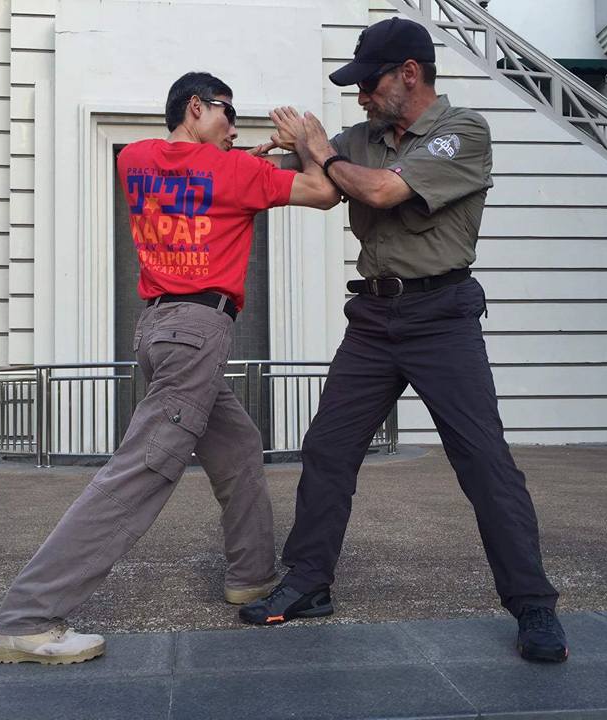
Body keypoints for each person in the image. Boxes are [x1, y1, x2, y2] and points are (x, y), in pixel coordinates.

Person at [240, 17, 569, 663]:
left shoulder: (462, 132)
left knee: (483, 463)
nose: (360, 95)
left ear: (409, 74)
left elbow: (385, 190)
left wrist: (319, 149)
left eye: (368, 83)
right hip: (372, 320)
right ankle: (309, 580)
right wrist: (247, 154)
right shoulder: (359, 137)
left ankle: (533, 604)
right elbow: (303, 180)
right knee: (328, 448)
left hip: (441, 315)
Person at [0, 71, 338, 664]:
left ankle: (250, 575)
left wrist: (243, 155)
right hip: (198, 333)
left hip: (156, 331)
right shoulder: (237, 175)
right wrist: (305, 141)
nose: (234, 125)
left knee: (239, 446)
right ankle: (28, 616)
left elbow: (199, 177)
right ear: (197, 106)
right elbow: (324, 193)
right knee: (144, 468)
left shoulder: (139, 159)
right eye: (228, 113)